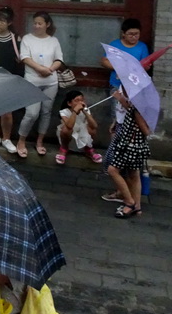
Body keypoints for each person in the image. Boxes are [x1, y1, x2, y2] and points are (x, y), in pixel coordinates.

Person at [16, 11, 63, 158]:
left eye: (40, 23)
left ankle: (40, 141)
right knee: (31, 113)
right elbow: (24, 57)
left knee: (46, 112)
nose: (36, 26)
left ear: (47, 25)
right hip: (32, 81)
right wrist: (40, 68)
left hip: (51, 82)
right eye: (35, 23)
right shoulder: (27, 39)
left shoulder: (53, 41)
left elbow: (59, 59)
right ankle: (21, 140)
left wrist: (49, 69)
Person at [104, 88, 151, 218]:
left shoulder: (138, 110)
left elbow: (146, 131)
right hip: (134, 146)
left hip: (131, 146)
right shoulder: (135, 107)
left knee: (113, 170)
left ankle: (129, 201)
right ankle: (137, 207)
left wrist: (137, 126)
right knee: (134, 174)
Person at [0, 7, 22, 151]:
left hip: (9, 78)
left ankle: (6, 138)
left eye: (2, 21)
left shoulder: (15, 38)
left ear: (9, 22)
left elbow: (19, 60)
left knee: (7, 111)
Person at [101, 18, 149, 122]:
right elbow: (104, 61)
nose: (134, 37)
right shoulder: (115, 45)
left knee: (133, 115)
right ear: (123, 33)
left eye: (137, 34)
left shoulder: (142, 47)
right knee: (116, 115)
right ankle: (114, 136)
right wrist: (120, 67)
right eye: (130, 34)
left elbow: (146, 64)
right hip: (117, 85)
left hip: (135, 86)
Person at [55, 90, 102, 166]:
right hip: (70, 135)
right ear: (69, 103)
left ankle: (88, 149)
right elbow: (69, 126)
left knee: (92, 128)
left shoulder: (86, 110)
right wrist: (75, 111)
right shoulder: (64, 112)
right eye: (76, 101)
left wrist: (85, 112)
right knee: (65, 129)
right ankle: (63, 149)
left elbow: (94, 125)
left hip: (82, 134)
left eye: (82, 100)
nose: (80, 103)